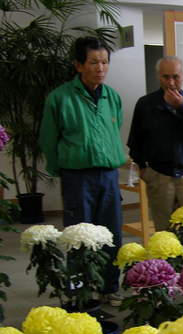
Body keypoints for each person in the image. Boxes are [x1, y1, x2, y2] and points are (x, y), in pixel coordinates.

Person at [39, 36, 126, 306]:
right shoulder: (60, 98)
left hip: (109, 175)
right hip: (77, 177)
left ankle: (110, 286)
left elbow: (116, 128)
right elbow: (48, 139)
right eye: (93, 62)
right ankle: (78, 290)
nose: (100, 68)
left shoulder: (112, 96)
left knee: (112, 234)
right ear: (78, 65)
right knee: (78, 235)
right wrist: (59, 170)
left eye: (104, 62)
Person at [128, 56, 183, 231]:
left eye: (175, 77)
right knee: (165, 232)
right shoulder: (146, 104)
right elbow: (135, 140)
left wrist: (182, 107)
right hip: (159, 176)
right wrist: (143, 168)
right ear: (159, 76)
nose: (171, 82)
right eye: (166, 77)